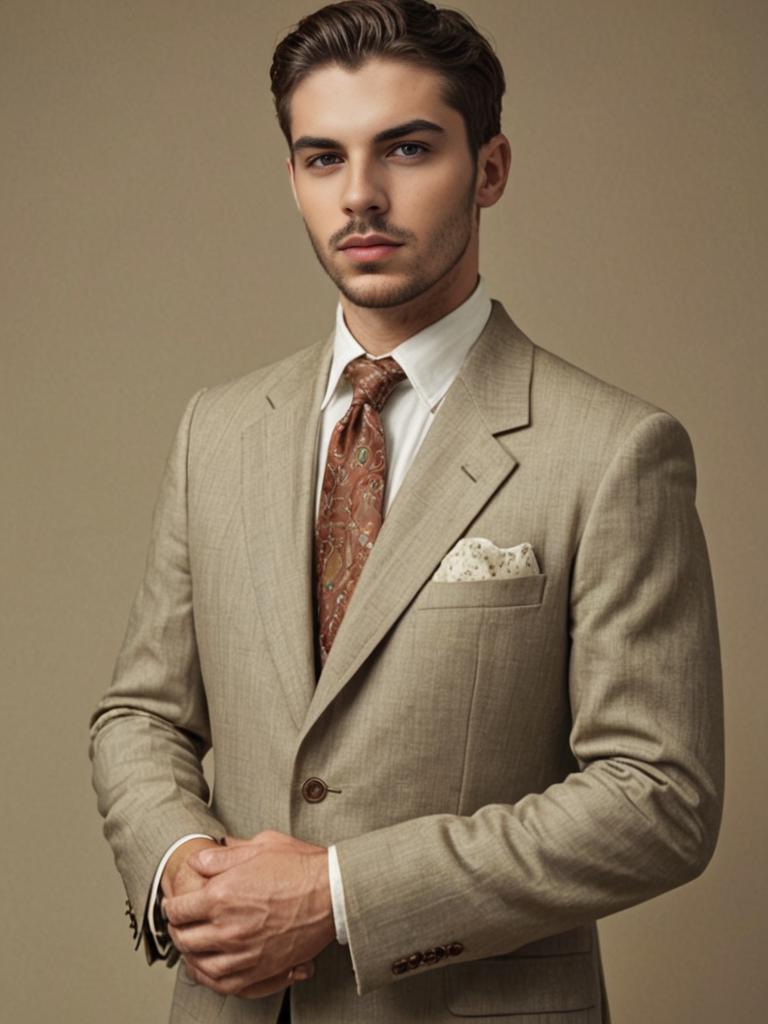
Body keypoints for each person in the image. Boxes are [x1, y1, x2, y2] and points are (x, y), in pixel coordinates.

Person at [89, 2, 724, 1022]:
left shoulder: (612, 450)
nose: (362, 197)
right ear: (293, 177)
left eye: (409, 148)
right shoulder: (216, 429)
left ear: (492, 167)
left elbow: (659, 799)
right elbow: (143, 713)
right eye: (321, 158)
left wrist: (338, 896)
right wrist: (181, 866)